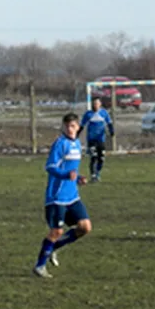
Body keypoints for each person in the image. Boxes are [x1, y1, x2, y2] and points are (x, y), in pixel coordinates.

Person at [33, 113, 91, 278]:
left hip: (72, 196)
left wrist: (78, 178)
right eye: (66, 126)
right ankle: (39, 266)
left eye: (72, 126)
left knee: (85, 227)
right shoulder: (60, 144)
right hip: (57, 197)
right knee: (56, 231)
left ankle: (54, 248)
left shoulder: (78, 144)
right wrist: (66, 175)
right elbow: (50, 167)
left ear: (78, 127)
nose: (69, 129)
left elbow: (73, 168)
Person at [78, 97, 113, 182]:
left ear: (100, 104)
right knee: (94, 156)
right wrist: (77, 134)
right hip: (91, 139)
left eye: (97, 103)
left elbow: (109, 123)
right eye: (94, 104)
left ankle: (97, 173)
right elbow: (82, 125)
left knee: (101, 158)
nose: (95, 105)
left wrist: (112, 131)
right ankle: (93, 176)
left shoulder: (104, 113)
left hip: (101, 139)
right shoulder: (88, 114)